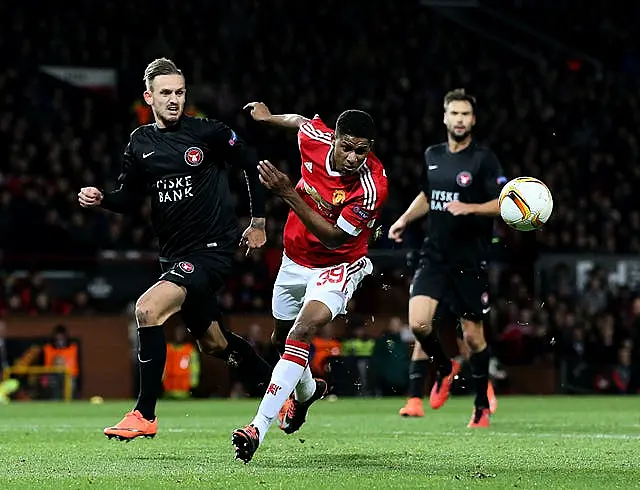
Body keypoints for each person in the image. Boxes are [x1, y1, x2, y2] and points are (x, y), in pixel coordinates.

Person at [78, 58, 273, 441]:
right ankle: (280, 390)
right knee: (214, 343)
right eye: (165, 93)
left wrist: (259, 221)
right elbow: (129, 198)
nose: (173, 99)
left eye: (179, 92)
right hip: (175, 256)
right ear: (148, 96)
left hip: (212, 251)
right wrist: (102, 198)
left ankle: (144, 414)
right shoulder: (140, 143)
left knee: (147, 309)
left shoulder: (208, 132)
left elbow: (251, 163)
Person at [231, 103, 388, 463]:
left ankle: (256, 427)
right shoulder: (314, 138)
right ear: (334, 138)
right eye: (346, 147)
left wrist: (288, 193)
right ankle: (306, 393)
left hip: (339, 265)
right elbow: (300, 122)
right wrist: (270, 118)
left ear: (370, 148)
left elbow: (334, 238)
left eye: (361, 151)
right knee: (280, 340)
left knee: (301, 334)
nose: (352, 157)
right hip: (293, 260)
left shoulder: (372, 186)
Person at [388, 88, 505, 428]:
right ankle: (444, 367)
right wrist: (404, 220)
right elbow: (428, 195)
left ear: (473, 120)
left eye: (465, 114)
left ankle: (481, 406)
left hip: (469, 259)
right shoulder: (432, 154)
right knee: (420, 324)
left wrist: (470, 207)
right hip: (434, 255)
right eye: (454, 113)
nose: (460, 120)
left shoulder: (484, 160)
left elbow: (504, 202)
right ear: (444, 117)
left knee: (473, 336)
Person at [399, 301, 497, 417]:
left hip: (461, 288)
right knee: (422, 333)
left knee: (470, 342)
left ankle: (485, 389)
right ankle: (415, 400)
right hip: (437, 291)